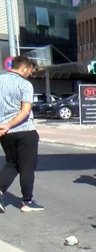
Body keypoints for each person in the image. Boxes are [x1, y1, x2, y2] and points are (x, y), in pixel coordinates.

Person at [0, 55, 43, 212]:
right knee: (27, 167)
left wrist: (3, 126)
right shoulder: (25, 84)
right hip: (24, 131)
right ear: (23, 68)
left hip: (4, 132)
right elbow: (25, 111)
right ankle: (27, 202)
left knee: (12, 163)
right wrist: (10, 124)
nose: (30, 74)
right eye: (30, 70)